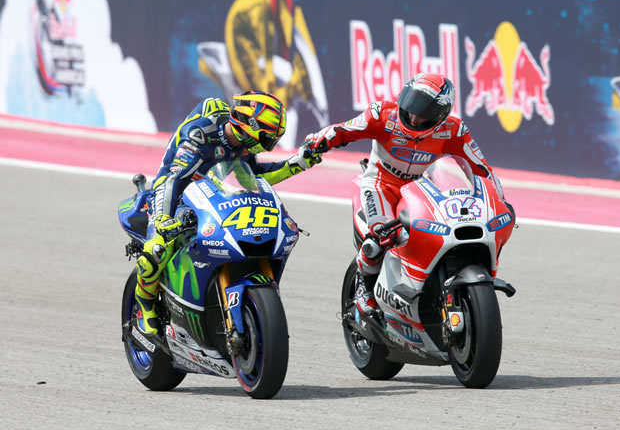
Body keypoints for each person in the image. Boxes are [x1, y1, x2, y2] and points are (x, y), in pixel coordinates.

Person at [304, 72, 512, 315]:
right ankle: (364, 289)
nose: (413, 115)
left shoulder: (454, 130)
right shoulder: (382, 115)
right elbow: (345, 129)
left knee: (440, 232)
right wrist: (318, 141)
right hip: (381, 185)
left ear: (441, 114)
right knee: (379, 237)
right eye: (411, 103)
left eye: (424, 111)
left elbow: (482, 169)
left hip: (423, 191)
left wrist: (499, 200)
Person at [135, 90, 321, 336]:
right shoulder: (200, 136)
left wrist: (298, 163)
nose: (269, 145)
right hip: (173, 194)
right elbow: (173, 180)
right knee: (157, 249)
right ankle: (144, 304)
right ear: (248, 125)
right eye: (266, 138)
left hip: (211, 195)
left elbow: (254, 176)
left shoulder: (242, 142)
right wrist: (162, 217)